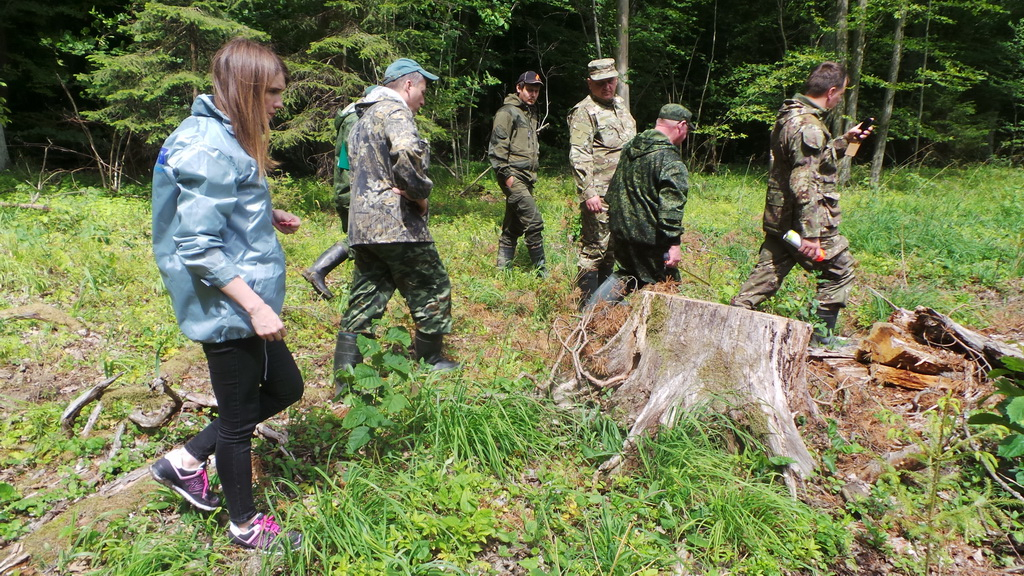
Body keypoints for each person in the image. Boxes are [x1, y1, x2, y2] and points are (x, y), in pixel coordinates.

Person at [149, 38, 303, 551]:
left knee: (286, 387)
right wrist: (255, 307)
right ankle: (245, 526)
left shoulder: (223, 134)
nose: (279, 102)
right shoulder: (207, 145)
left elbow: (218, 202)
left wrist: (264, 214)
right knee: (237, 422)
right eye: (272, 92)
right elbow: (196, 244)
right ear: (246, 88)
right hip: (229, 306)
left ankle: (184, 461)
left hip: (246, 295)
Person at [332, 58, 458, 395]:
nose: (423, 100)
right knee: (432, 286)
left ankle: (345, 380)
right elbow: (406, 150)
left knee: (366, 296)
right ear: (408, 85)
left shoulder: (360, 120)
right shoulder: (395, 112)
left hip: (363, 227)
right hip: (396, 224)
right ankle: (430, 360)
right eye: (423, 91)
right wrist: (419, 194)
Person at [730, 61, 873, 346]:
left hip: (782, 219)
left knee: (764, 278)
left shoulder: (790, 115)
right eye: (841, 93)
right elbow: (804, 180)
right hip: (801, 222)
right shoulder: (809, 126)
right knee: (840, 272)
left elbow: (811, 159)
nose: (840, 98)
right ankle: (819, 342)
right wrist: (811, 234)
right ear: (831, 91)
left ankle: (727, 327)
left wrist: (846, 141)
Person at [589, 104, 692, 306]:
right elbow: (671, 208)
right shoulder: (670, 160)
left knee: (628, 273)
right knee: (667, 284)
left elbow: (614, 189)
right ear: (681, 125)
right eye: (688, 129)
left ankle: (590, 316)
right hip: (650, 239)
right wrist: (673, 244)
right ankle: (660, 327)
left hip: (621, 230)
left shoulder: (630, 147)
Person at [568, 58, 637, 307]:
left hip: (623, 193)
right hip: (600, 194)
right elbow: (579, 154)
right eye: (600, 83)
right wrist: (588, 192)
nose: (606, 87)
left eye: (610, 81)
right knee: (595, 248)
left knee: (612, 249)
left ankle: (603, 305)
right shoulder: (584, 112)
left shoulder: (620, 105)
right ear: (590, 83)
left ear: (616, 80)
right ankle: (585, 305)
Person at [301, 86, 376, 300]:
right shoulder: (355, 121)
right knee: (364, 241)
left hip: (351, 191)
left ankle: (361, 296)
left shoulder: (352, 119)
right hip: (354, 193)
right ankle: (319, 270)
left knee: (364, 242)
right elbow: (357, 162)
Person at [488, 71, 546, 274]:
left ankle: (502, 271)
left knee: (514, 226)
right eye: (529, 90)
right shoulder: (507, 112)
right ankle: (542, 274)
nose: (533, 94)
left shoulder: (530, 113)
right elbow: (497, 147)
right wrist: (507, 177)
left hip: (528, 177)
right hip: (514, 175)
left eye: (536, 91)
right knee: (534, 222)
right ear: (519, 88)